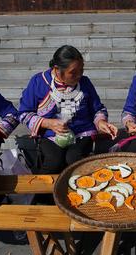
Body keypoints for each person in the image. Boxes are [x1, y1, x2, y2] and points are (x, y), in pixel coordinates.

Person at [18, 45, 118, 174]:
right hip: (50, 135)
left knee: (75, 160)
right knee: (54, 161)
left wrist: (101, 122)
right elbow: (23, 114)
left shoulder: (85, 82)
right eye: (73, 72)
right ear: (57, 70)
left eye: (81, 70)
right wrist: (49, 124)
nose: (79, 76)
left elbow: (98, 109)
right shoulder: (38, 82)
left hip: (82, 133)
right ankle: (42, 193)